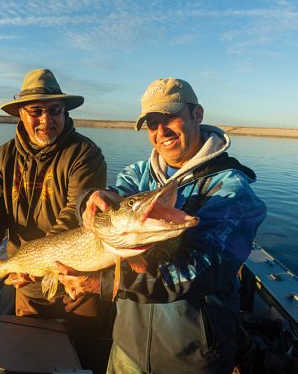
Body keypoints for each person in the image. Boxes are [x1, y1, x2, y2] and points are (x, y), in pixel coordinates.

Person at [55, 77, 267, 373]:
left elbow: (202, 270)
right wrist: (89, 199)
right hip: (127, 347)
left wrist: (104, 284)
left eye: (170, 117)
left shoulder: (231, 190)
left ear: (197, 114)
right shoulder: (138, 174)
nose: (160, 131)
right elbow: (110, 215)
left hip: (191, 357)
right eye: (152, 123)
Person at [0, 68, 109, 371]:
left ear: (64, 112)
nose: (46, 120)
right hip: (27, 278)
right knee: (30, 353)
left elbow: (76, 212)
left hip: (80, 274)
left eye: (54, 110)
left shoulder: (85, 154)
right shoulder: (2, 158)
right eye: (35, 111)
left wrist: (38, 260)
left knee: (85, 352)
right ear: (20, 115)